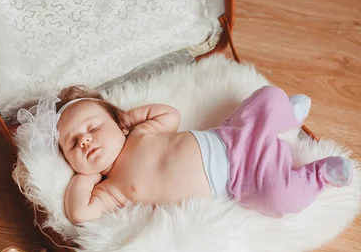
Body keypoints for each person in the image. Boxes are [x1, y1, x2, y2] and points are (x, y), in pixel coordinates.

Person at [18, 85, 352, 223]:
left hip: (230, 138)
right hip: (241, 180)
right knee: (280, 199)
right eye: (73, 145)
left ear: (117, 123)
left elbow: (170, 116)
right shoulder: (112, 188)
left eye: (92, 129)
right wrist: (85, 176)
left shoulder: (138, 133)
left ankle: (287, 119)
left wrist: (129, 118)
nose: (86, 142)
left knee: (267, 95)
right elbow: (79, 213)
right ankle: (321, 174)